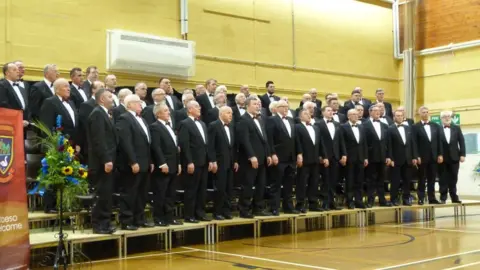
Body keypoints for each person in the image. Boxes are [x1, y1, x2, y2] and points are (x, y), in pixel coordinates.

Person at [116, 94, 154, 230]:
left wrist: (150, 161)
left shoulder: (142, 119)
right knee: (130, 193)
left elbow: (146, 143)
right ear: (129, 105)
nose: (141, 105)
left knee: (142, 193)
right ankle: (126, 220)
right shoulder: (124, 118)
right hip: (133, 164)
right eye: (138, 102)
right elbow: (126, 142)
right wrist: (132, 161)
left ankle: (139, 218)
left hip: (144, 163)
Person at [237, 96, 272, 218]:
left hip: (262, 158)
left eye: (259, 104)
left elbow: (264, 139)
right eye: (255, 104)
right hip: (250, 160)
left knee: (261, 184)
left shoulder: (261, 119)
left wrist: (268, 154)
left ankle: (258, 208)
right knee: (248, 184)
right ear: (248, 105)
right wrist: (251, 156)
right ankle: (244, 209)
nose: (258, 106)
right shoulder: (243, 120)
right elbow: (244, 140)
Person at [87, 88, 117, 234]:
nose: (113, 99)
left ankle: (105, 223)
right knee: (101, 194)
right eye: (110, 97)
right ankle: (98, 225)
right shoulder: (97, 114)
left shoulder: (106, 114)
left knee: (106, 194)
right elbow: (99, 140)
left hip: (107, 161)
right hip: (101, 163)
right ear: (102, 99)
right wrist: (106, 159)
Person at [178, 100, 211, 223]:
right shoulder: (184, 123)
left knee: (202, 190)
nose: (200, 108)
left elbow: (206, 144)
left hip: (203, 162)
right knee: (191, 190)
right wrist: (189, 162)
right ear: (189, 109)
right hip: (193, 162)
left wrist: (210, 160)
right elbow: (185, 145)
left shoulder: (202, 123)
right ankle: (189, 215)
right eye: (197, 107)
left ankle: (200, 213)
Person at [150, 104, 183, 226]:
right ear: (158, 114)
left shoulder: (170, 126)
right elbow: (156, 147)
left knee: (171, 193)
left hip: (174, 164)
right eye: (165, 111)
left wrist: (178, 163)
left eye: (168, 110)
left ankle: (169, 217)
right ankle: (158, 217)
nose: (168, 112)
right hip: (163, 165)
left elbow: (175, 148)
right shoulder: (155, 127)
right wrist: (162, 163)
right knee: (160, 193)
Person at [266, 100, 298, 215]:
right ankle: (274, 207)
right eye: (283, 106)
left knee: (289, 184)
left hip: (291, 157)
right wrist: (273, 153)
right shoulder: (272, 120)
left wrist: (297, 154)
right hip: (278, 157)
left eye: (287, 106)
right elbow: (270, 139)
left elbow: (294, 139)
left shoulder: (290, 120)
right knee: (276, 183)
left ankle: (288, 207)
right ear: (277, 108)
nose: (286, 108)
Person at [208, 106, 237, 220]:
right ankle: (217, 212)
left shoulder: (231, 126)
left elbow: (233, 147)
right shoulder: (213, 125)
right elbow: (210, 146)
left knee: (229, 188)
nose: (231, 115)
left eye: (231, 113)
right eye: (228, 113)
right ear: (221, 114)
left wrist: (235, 161)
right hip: (219, 163)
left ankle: (226, 210)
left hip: (229, 162)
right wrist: (213, 161)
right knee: (220, 188)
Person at [295, 109, 327, 213]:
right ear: (300, 117)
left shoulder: (316, 127)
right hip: (304, 159)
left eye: (309, 114)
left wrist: (324, 156)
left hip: (315, 159)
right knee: (302, 182)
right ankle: (300, 204)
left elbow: (321, 143)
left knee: (314, 182)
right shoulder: (297, 127)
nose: (308, 115)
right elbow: (297, 142)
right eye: (305, 113)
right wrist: (299, 155)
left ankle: (313, 204)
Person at [316, 106, 346, 210]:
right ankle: (325, 203)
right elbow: (318, 142)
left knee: (334, 180)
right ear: (323, 112)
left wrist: (344, 154)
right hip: (325, 157)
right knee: (325, 180)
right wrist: (321, 155)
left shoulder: (337, 124)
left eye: (332, 111)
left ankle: (331, 202)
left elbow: (341, 141)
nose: (331, 112)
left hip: (335, 156)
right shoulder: (318, 124)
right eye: (328, 110)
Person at [387, 110, 419, 206]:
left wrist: (414, 157)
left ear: (403, 117)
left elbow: (413, 143)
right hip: (396, 159)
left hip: (408, 158)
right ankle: (394, 199)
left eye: (401, 116)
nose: (399, 117)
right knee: (395, 181)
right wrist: (390, 158)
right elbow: (389, 146)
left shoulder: (408, 128)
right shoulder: (390, 129)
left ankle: (406, 199)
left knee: (407, 181)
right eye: (397, 116)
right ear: (394, 117)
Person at [413, 106, 443, 205]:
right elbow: (414, 143)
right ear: (419, 114)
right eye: (423, 112)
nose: (425, 114)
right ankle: (421, 198)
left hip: (434, 156)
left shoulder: (436, 126)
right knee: (422, 178)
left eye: (427, 112)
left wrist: (440, 154)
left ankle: (432, 198)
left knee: (432, 178)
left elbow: (439, 142)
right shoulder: (415, 127)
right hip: (422, 157)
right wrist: (417, 156)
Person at [363, 105, 391, 207]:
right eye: (375, 111)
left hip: (382, 156)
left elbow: (388, 143)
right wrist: (365, 157)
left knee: (381, 180)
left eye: (379, 111)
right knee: (370, 180)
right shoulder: (364, 125)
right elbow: (364, 143)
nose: (377, 113)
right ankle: (370, 200)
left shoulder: (385, 126)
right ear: (370, 112)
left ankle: (382, 200)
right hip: (371, 156)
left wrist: (388, 156)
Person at [341, 109, 368, 209]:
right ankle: (349, 201)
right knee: (350, 181)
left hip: (360, 157)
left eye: (357, 114)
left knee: (359, 181)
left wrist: (365, 157)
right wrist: (344, 155)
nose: (356, 116)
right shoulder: (343, 127)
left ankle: (358, 200)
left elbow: (364, 143)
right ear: (348, 116)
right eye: (353, 114)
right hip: (349, 157)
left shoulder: (361, 126)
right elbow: (342, 143)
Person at [438, 111, 465, 204]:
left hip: (454, 157)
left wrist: (462, 154)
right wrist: (439, 155)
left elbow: (461, 142)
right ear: (441, 118)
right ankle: (443, 198)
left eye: (448, 116)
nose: (447, 118)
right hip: (442, 158)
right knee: (443, 178)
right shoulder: (438, 129)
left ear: (451, 118)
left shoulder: (456, 128)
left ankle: (454, 197)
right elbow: (436, 144)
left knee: (454, 178)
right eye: (444, 116)